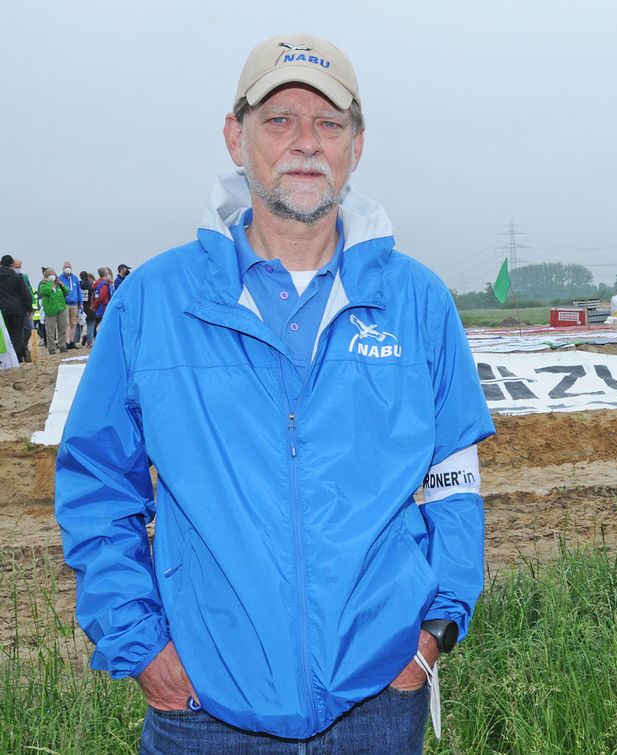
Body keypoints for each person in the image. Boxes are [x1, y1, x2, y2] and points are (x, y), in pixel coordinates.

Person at [54, 33, 495, 753]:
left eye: (329, 123)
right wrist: (143, 646)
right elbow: (99, 482)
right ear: (236, 137)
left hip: (379, 699)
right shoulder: (154, 302)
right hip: (202, 706)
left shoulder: (418, 302)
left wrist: (433, 635)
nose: (306, 142)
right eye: (280, 120)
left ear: (357, 145)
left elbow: (454, 479)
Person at [0, 254, 33, 363]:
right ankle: (17, 357)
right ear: (11, 264)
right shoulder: (17, 277)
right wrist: (29, 308)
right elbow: (25, 294)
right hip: (17, 309)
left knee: (5, 334)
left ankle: (7, 358)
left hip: (2, 311)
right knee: (17, 333)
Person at [38, 267, 69, 355]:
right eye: (50, 274)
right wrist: (50, 284)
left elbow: (67, 292)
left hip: (61, 308)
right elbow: (45, 292)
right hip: (50, 310)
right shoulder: (43, 284)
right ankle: (51, 348)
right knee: (50, 331)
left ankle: (62, 346)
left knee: (62, 329)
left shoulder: (58, 284)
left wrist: (62, 285)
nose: (52, 276)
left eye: (53, 274)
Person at [59, 261, 82, 349]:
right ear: (63, 268)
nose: (67, 268)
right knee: (66, 324)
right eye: (66, 267)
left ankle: (72, 341)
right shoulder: (60, 278)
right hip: (65, 304)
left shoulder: (75, 278)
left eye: (69, 267)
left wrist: (80, 303)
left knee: (73, 323)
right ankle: (66, 341)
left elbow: (79, 291)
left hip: (74, 304)